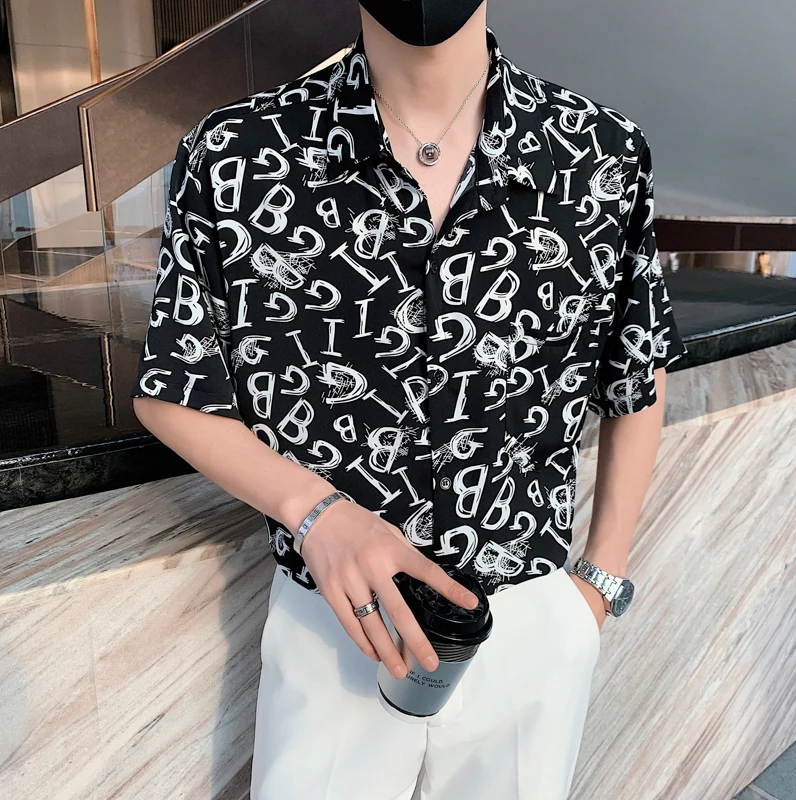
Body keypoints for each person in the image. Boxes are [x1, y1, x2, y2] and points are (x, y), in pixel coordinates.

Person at [130, 1, 688, 798]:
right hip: (334, 623)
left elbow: (636, 371)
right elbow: (173, 386)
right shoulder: (238, 153)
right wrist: (318, 515)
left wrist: (597, 586)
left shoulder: (598, 153)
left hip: (527, 622)